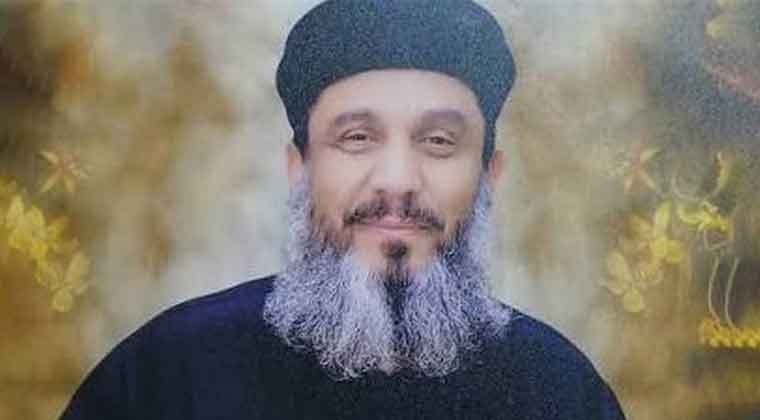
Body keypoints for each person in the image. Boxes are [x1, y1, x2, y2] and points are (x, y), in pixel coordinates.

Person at [60, 0, 626, 418]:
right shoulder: (166, 376)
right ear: (299, 168)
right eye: (357, 138)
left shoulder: (560, 390)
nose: (398, 180)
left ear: (488, 176)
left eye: (438, 142)